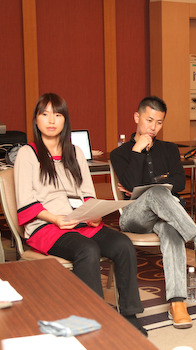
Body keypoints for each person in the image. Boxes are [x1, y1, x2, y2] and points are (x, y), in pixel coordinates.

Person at [14, 93, 147, 335]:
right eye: (44, 114)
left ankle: (129, 314)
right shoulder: (27, 153)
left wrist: (93, 213)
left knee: (123, 244)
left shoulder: (74, 152)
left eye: (57, 114)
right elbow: (25, 202)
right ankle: (93, 317)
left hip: (79, 221)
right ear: (36, 120)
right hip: (46, 226)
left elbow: (86, 195)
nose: (51, 120)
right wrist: (55, 219)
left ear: (65, 120)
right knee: (87, 250)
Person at [110, 96, 196, 329]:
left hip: (166, 215)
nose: (153, 127)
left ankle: (177, 303)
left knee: (170, 229)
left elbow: (179, 183)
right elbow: (133, 185)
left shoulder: (169, 149)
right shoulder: (120, 153)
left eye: (159, 122)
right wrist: (137, 151)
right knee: (155, 193)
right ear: (137, 118)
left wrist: (152, 184)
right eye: (149, 120)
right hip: (135, 216)